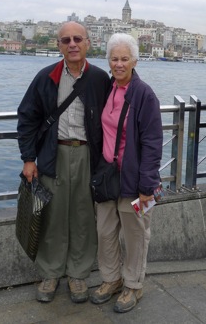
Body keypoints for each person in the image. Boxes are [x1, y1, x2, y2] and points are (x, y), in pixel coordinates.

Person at [17, 21, 110, 304]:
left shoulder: (99, 79)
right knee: (53, 216)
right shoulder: (45, 77)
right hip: (52, 154)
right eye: (66, 40)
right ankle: (50, 272)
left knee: (83, 215)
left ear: (88, 43)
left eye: (77, 39)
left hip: (86, 155)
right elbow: (27, 119)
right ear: (58, 45)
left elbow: (113, 117)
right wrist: (29, 159)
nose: (72, 44)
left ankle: (79, 274)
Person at [90, 33, 163, 314]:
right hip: (108, 176)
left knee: (135, 234)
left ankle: (133, 284)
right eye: (114, 58)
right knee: (105, 231)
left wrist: (147, 185)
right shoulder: (108, 88)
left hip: (133, 180)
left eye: (124, 58)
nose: (119, 64)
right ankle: (112, 279)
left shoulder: (143, 94)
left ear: (134, 60)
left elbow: (152, 143)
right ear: (108, 61)